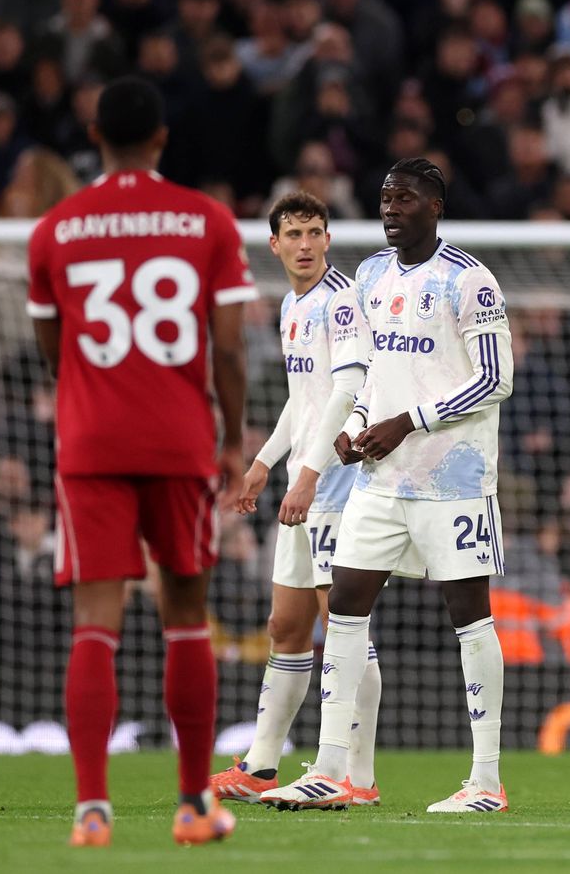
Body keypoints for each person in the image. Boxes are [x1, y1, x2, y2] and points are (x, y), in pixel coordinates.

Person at [26, 75, 256, 846]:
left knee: (96, 622)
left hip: (90, 443)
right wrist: (233, 440)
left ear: (95, 137)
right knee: (185, 617)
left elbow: (54, 350)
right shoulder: (207, 220)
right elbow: (229, 347)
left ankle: (92, 811)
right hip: (178, 441)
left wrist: (92, 397)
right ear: (162, 138)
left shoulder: (55, 229)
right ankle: (193, 806)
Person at [263, 157, 514, 813]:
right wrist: (356, 426)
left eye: (404, 198)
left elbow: (495, 378)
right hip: (380, 479)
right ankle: (334, 769)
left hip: (454, 479)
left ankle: (486, 780)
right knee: (345, 602)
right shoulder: (370, 276)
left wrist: (409, 421)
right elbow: (368, 371)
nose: (390, 209)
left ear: (435, 206)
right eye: (384, 199)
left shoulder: (469, 280)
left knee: (469, 615)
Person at [209, 192, 382, 810]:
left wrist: (307, 476)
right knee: (286, 625)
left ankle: (356, 775)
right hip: (303, 484)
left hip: (338, 485)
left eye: (314, 232)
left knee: (343, 626)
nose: (304, 244)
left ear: (328, 239)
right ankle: (260, 764)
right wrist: (263, 463)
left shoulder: (341, 301)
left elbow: (347, 391)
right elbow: (303, 398)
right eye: (293, 234)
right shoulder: (291, 305)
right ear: (275, 244)